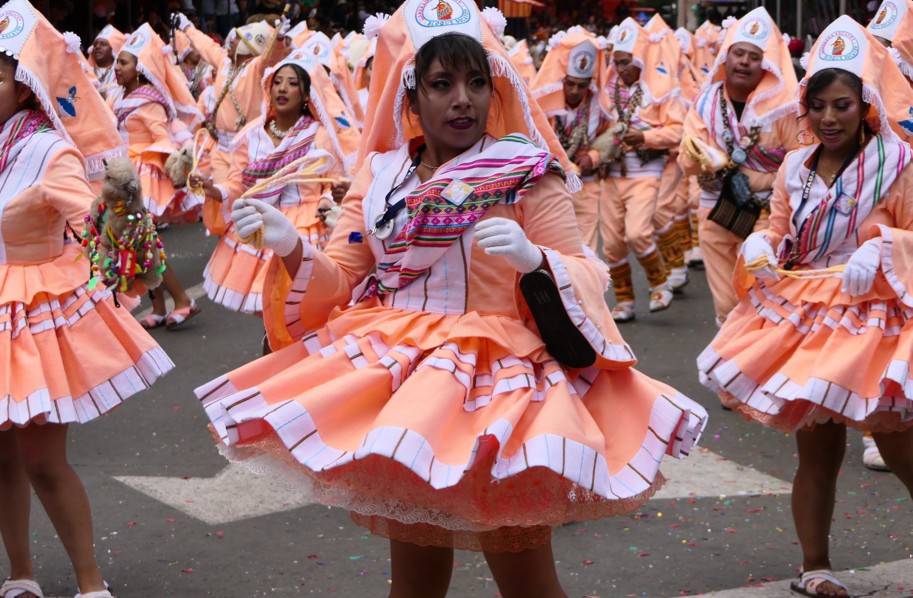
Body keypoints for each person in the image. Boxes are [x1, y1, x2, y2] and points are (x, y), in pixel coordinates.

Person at [195, 2, 707, 596]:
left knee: (529, 584)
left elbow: (587, 274)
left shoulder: (524, 173)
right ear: (410, 98)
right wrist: (292, 252)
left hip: (499, 387)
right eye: (442, 84)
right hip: (402, 383)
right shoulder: (379, 176)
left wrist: (536, 262)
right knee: (413, 585)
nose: (462, 98)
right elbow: (340, 282)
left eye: (476, 83)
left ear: (496, 90)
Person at [698, 15, 913, 597]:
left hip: (877, 313)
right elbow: (780, 224)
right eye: (817, 105)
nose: (828, 118)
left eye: (841, 105)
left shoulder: (900, 163)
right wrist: (765, 240)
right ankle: (814, 567)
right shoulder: (795, 164)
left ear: (865, 103)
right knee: (817, 449)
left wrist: (887, 247)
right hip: (811, 315)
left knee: (898, 443)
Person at [0, 2, 174, 597]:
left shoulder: (47, 151)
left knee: (42, 459)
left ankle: (90, 583)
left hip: (32, 312)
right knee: (0, 460)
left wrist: (122, 210)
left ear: (25, 89)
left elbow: (95, 220)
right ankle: (21, 574)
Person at [192, 48, 358, 316]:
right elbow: (238, 184)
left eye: (292, 84)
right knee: (267, 309)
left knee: (301, 307)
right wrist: (213, 189)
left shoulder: (321, 136)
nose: (282, 88)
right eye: (277, 82)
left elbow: (330, 182)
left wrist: (331, 197)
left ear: (306, 96)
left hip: (305, 228)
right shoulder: (251, 135)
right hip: (262, 224)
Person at [678, 7, 800, 327]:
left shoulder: (785, 108)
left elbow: (801, 161)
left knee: (764, 299)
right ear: (725, 57)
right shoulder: (704, 102)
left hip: (767, 216)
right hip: (716, 210)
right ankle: (730, 371)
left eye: (754, 56)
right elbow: (687, 160)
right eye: (738, 53)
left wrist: (759, 179)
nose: (744, 61)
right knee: (726, 305)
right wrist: (706, 161)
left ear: (769, 64)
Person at [111, 24, 203, 330]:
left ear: (140, 68)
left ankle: (182, 300)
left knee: (146, 245)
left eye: (124, 62)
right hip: (124, 176)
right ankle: (161, 305)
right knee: (140, 246)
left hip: (141, 178)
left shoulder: (147, 100)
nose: (117, 68)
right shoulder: (120, 97)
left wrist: (171, 167)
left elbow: (162, 138)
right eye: (118, 62)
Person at [601, 17, 684, 322]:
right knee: (611, 243)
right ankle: (624, 300)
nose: (620, 68)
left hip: (645, 173)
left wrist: (645, 137)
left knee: (638, 233)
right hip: (611, 174)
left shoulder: (661, 90)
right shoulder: (607, 91)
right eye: (616, 62)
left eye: (625, 62)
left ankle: (660, 283)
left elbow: (678, 130)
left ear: (638, 60)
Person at [531, 27, 608, 255]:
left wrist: (593, 156)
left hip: (588, 187)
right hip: (550, 186)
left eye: (582, 85)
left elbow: (613, 137)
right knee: (553, 252)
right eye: (570, 83)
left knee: (586, 252)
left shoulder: (599, 105)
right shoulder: (543, 107)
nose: (575, 91)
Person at [87, 24, 125, 99]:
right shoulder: (86, 71)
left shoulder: (121, 73)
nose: (97, 47)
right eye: (95, 44)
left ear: (113, 49)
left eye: (103, 44)